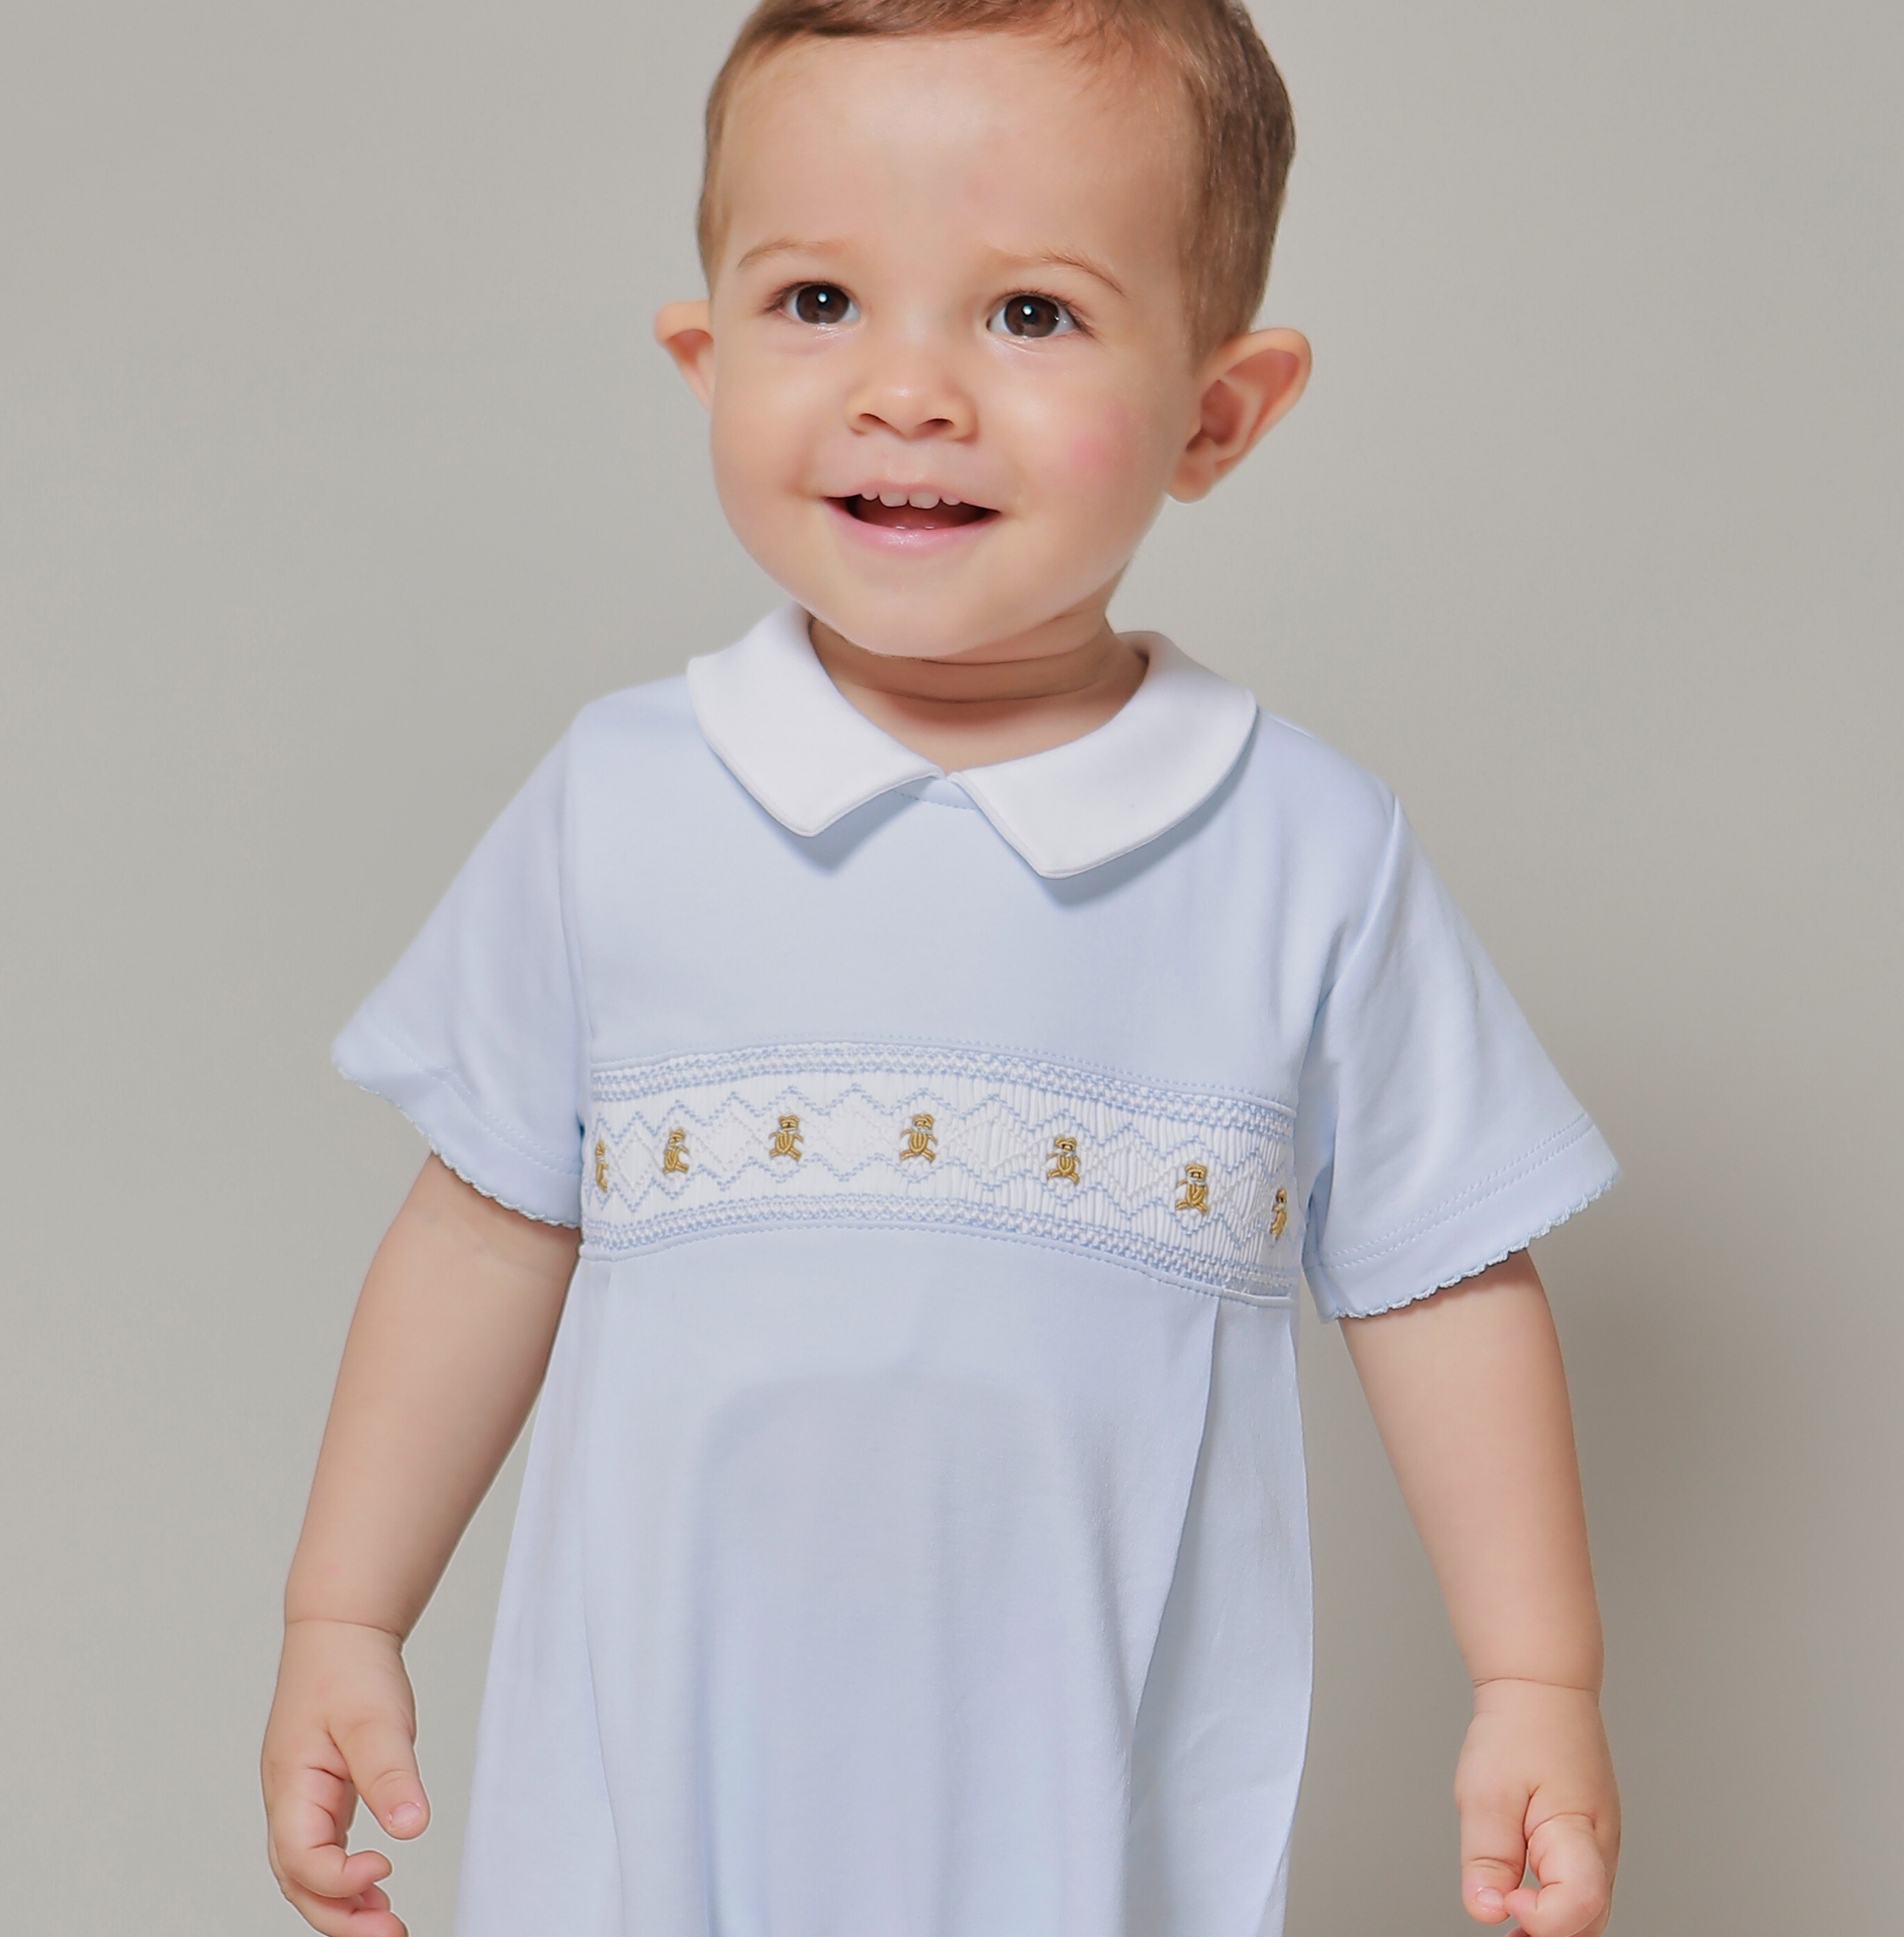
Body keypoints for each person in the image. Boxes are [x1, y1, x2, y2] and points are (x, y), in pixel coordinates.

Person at [261, 3, 1621, 1933]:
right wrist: (343, 1610)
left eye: (1030, 314)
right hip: (667, 1778)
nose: (907, 391)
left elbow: (1444, 1276)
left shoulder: (1298, 847)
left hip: (1079, 1794)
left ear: (1217, 415)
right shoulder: (620, 801)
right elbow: (484, 1229)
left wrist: (1534, 1676)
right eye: (817, 300)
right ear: (704, 356)